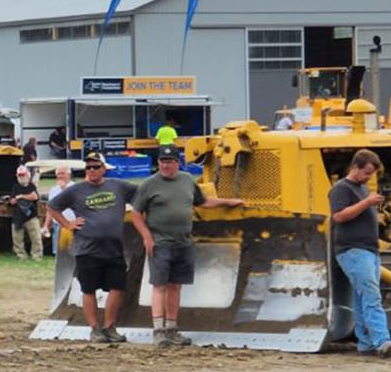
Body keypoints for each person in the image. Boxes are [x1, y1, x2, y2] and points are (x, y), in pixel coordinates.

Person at [130, 144, 244, 346]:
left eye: (170, 161)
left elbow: (203, 202)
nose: (165, 165)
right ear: (158, 163)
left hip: (183, 242)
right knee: (159, 286)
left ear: (177, 163)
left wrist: (228, 202)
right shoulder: (149, 184)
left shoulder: (186, 181)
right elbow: (136, 213)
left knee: (175, 286)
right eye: (162, 162)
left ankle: (172, 329)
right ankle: (158, 331)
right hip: (160, 243)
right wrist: (147, 237)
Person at [44, 153, 136, 343]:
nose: (92, 170)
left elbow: (144, 195)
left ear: (104, 168)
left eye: (96, 166)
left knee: (118, 287)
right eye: (89, 167)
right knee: (89, 289)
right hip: (87, 249)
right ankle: (94, 329)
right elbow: (52, 207)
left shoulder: (118, 186)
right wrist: (67, 224)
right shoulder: (76, 190)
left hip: (114, 248)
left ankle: (109, 326)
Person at [331, 149, 391, 357]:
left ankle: (366, 344)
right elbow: (339, 216)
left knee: (361, 298)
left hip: (368, 250)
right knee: (371, 295)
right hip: (353, 250)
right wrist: (367, 203)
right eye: (367, 173)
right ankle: (382, 340)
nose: (369, 177)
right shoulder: (341, 189)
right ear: (355, 167)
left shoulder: (362, 188)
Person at [9, 165, 43, 260]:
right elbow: (12, 200)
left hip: (31, 216)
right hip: (18, 216)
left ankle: (37, 256)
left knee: (36, 238)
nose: (22, 176)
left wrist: (20, 196)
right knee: (17, 239)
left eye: (23, 174)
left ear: (27, 174)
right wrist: (14, 200)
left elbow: (35, 197)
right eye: (20, 175)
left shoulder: (32, 186)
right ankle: (21, 256)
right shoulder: (15, 187)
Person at [46, 163, 74, 256]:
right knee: (58, 251)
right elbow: (50, 209)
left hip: (71, 223)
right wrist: (46, 225)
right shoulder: (53, 190)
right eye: (58, 174)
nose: (60, 176)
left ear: (69, 174)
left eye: (63, 173)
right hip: (57, 224)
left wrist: (63, 188)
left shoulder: (75, 188)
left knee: (71, 250)